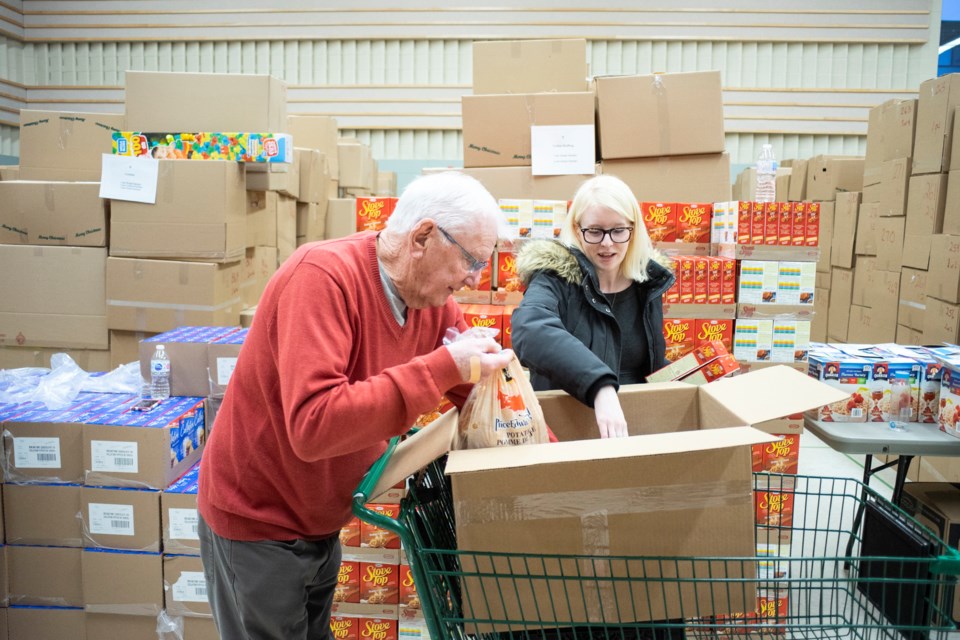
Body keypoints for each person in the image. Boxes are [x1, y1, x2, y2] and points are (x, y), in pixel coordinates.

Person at [197, 171, 514, 640]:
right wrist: (444, 366)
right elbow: (314, 426)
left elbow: (482, 396)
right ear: (423, 237)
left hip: (323, 519)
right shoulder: (322, 279)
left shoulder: (432, 302)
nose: (474, 279)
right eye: (470, 260)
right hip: (258, 520)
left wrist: (549, 463)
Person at [511, 174, 675, 439]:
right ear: (577, 230)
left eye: (618, 230)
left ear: (634, 230)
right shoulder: (555, 280)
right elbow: (530, 330)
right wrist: (601, 387)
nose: (607, 243)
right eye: (595, 231)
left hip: (636, 432)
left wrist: (696, 381)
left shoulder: (647, 285)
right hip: (569, 435)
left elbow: (647, 366)